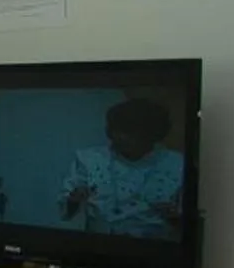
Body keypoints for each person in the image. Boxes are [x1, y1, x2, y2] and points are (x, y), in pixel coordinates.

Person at [59, 98, 184, 238]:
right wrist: (74, 199)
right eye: (115, 130)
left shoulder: (177, 164)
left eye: (129, 132)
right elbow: (66, 211)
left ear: (152, 134)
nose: (119, 137)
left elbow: (187, 226)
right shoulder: (89, 158)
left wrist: (173, 215)